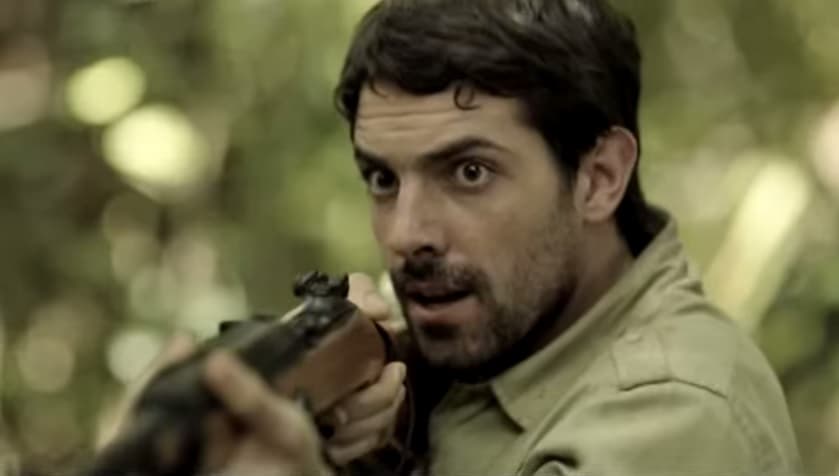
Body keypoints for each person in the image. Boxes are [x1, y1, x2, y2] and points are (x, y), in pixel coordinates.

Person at [101, 0, 803, 475]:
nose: (406, 234)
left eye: (469, 172)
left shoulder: (675, 416)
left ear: (598, 177)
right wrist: (384, 433)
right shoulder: (502, 334)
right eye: (382, 178)